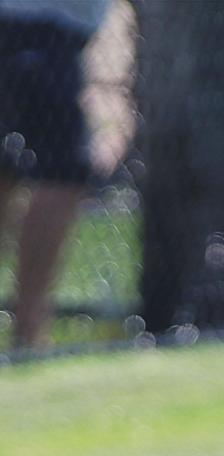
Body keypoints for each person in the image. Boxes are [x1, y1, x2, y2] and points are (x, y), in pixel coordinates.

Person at [0, 0, 111, 352]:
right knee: (61, 177)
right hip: (41, 28)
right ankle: (29, 335)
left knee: (9, 171)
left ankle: (27, 333)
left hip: (43, 30)